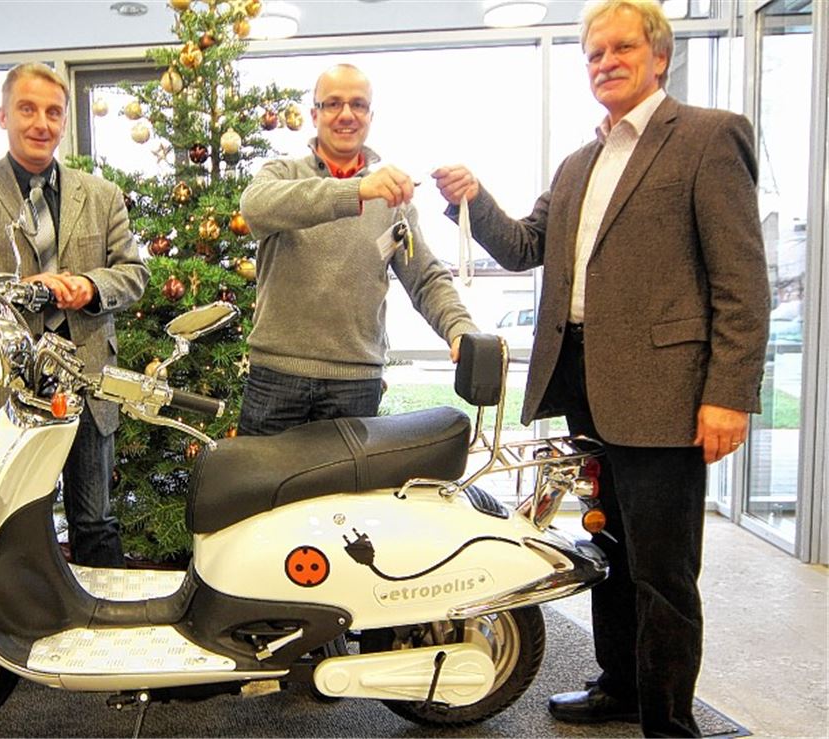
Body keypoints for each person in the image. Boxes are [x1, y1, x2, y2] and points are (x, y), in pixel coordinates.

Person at [433, 1, 769, 736]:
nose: (605, 62)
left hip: (666, 392)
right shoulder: (579, 162)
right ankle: (620, 685)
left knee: (664, 571)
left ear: (659, 57)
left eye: (620, 49)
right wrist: (473, 198)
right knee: (608, 550)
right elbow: (523, 246)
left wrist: (730, 393)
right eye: (593, 54)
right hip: (584, 380)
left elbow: (741, 281)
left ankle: (670, 723)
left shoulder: (709, 138)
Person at [0, 63, 148, 568]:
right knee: (9, 520)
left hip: (87, 381)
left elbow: (133, 273)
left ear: (64, 121)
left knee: (95, 521)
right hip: (4, 381)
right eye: (27, 109)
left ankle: (98, 631)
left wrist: (91, 286)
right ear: (3, 115)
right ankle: (16, 630)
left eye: (53, 112)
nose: (41, 123)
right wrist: (18, 289)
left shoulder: (101, 194)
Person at [238, 63, 477, 436]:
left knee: (348, 497)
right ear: (314, 114)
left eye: (358, 105)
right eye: (333, 104)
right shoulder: (282, 172)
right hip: (277, 377)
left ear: (370, 115)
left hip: (355, 384)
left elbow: (426, 278)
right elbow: (256, 206)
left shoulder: (392, 198)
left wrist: (460, 329)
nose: (346, 114)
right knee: (266, 496)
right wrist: (356, 191)